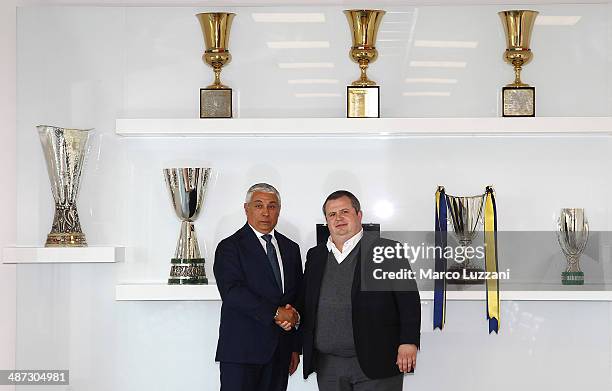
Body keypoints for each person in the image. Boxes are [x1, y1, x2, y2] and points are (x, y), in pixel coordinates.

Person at [298, 190, 421, 391]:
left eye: (344, 211)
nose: (338, 218)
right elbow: (307, 301)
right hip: (328, 365)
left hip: (377, 361)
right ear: (327, 221)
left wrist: (408, 342)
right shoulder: (315, 255)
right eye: (332, 214)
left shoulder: (387, 251)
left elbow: (408, 301)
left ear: (359, 215)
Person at [214, 183, 303, 391]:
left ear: (279, 211)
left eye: (272, 206)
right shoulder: (229, 247)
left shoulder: (291, 248)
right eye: (259, 205)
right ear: (246, 208)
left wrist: (294, 347)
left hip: (280, 353)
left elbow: (297, 297)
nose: (265, 212)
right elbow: (232, 292)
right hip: (242, 354)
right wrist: (275, 312)